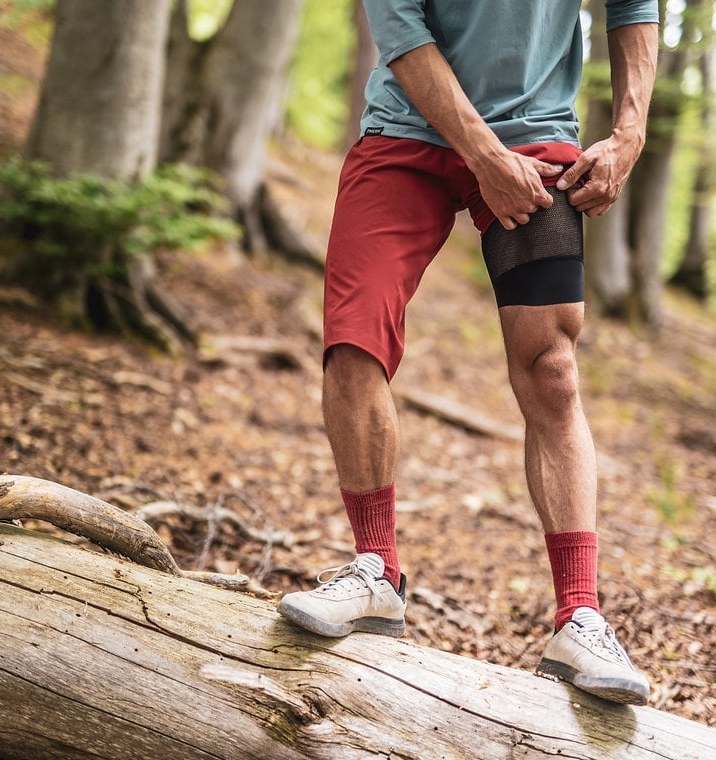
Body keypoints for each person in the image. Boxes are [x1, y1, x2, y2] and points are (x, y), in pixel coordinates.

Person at [278, 0, 659, 706]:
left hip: (538, 136)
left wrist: (629, 134)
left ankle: (580, 613)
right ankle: (375, 573)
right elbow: (399, 28)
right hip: (405, 135)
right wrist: (481, 155)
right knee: (353, 338)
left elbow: (633, 7)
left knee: (553, 371)